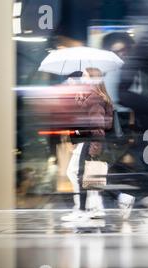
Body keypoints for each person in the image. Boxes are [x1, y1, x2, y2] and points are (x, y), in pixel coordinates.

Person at [63, 68, 134, 222]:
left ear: (93, 79)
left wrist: (95, 146)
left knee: (81, 174)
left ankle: (84, 209)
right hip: (91, 141)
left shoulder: (94, 97)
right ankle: (117, 199)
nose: (83, 79)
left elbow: (97, 124)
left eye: (86, 76)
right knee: (89, 176)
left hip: (92, 141)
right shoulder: (94, 96)